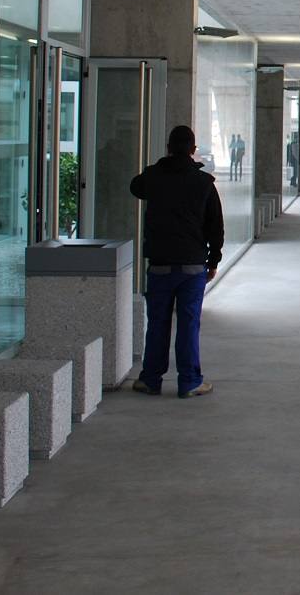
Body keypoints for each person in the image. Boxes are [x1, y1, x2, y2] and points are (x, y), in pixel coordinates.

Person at [130, 125, 224, 398]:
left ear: (169, 148)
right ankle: (189, 381)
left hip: (160, 264)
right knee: (188, 323)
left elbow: (136, 187)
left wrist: (161, 166)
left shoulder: (154, 177)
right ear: (193, 150)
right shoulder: (204, 183)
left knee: (157, 322)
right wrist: (213, 260)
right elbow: (215, 226)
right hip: (192, 265)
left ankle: (150, 379)